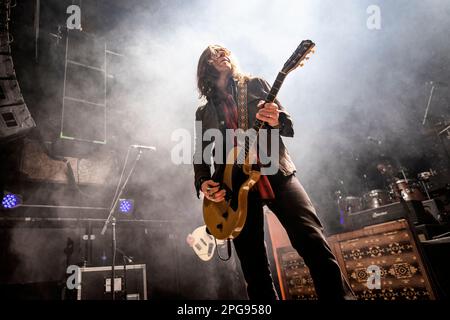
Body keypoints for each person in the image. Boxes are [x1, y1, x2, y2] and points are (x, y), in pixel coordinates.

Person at [193, 44, 355, 300]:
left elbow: (287, 125)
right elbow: (200, 154)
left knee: (312, 241)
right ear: (205, 67)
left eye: (224, 51)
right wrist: (203, 182)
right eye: (214, 55)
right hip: (233, 186)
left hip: (275, 172)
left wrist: (276, 119)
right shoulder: (203, 113)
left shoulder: (255, 85)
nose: (222, 55)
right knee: (253, 266)